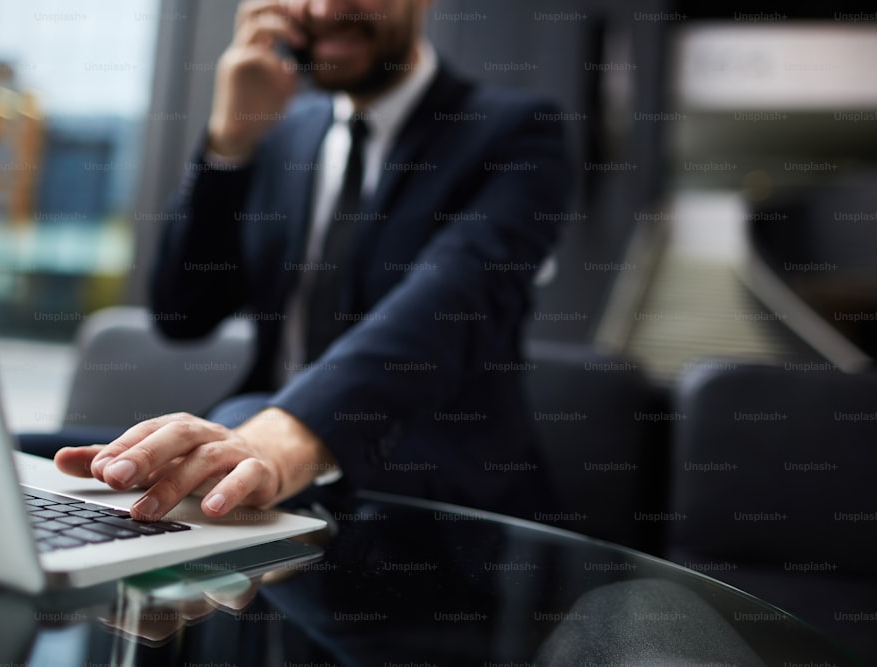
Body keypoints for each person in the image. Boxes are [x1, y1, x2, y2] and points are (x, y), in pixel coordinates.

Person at [53, 0, 571, 522]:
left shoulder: (519, 132)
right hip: (254, 454)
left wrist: (287, 433)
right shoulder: (284, 130)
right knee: (28, 464)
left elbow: (453, 298)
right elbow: (184, 314)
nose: (324, 9)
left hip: (431, 490)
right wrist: (230, 144)